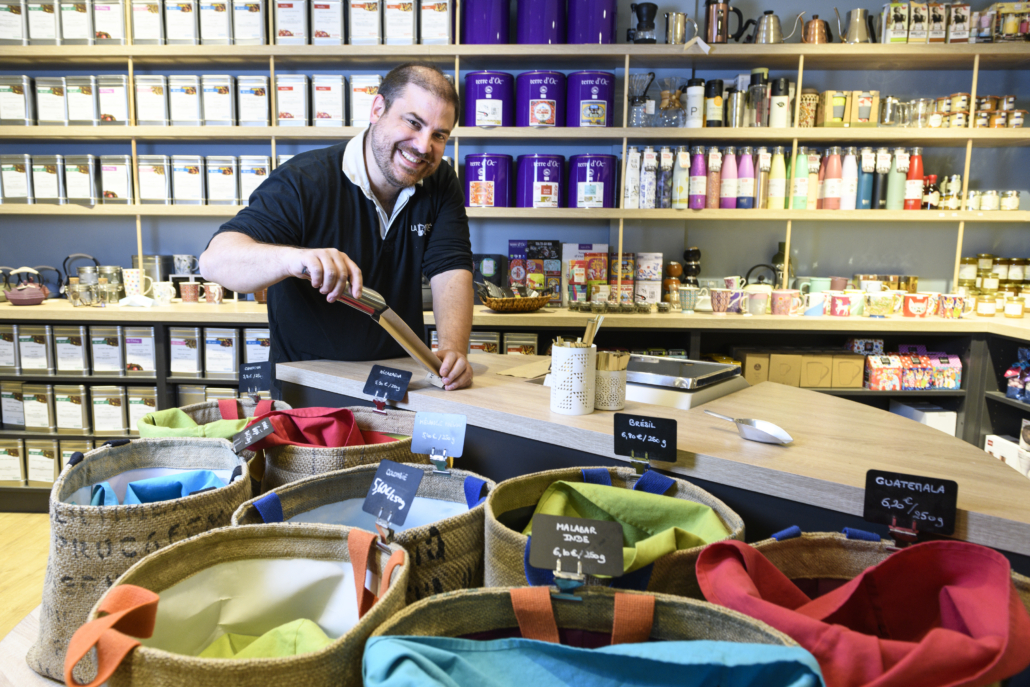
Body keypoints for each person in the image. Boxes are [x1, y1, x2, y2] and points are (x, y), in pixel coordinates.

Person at [200, 63, 473, 396]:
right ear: (377, 109)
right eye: (413, 123)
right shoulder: (304, 181)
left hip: (400, 385)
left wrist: (453, 350)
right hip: (309, 387)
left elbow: (451, 266)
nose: (422, 146)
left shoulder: (440, 181)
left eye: (439, 135)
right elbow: (215, 261)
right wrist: (293, 259)